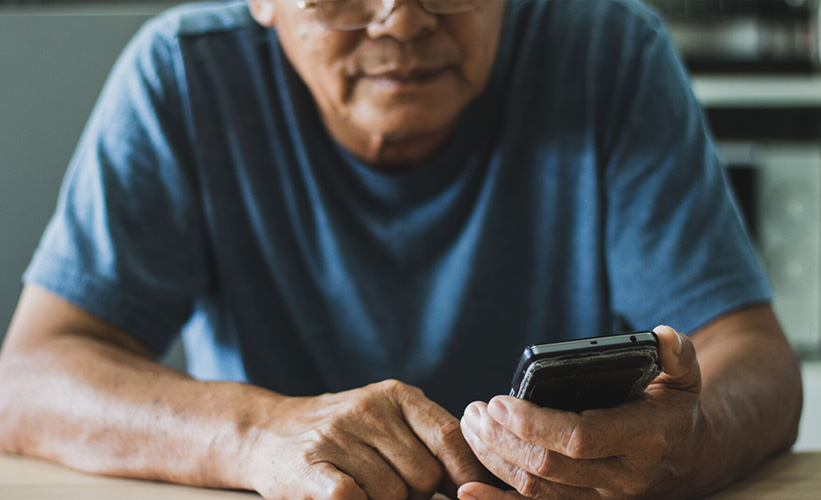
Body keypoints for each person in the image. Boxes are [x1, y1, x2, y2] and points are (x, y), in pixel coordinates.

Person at [0, 0, 803, 498]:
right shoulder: (180, 76)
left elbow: (752, 357)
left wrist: (685, 448)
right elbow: (28, 380)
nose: (403, 18)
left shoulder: (611, 52)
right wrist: (251, 433)